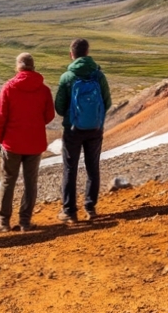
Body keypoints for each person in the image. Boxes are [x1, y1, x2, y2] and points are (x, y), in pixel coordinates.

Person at [0, 53, 55, 232]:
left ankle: (3, 222)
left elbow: (0, 116)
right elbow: (49, 116)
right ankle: (25, 222)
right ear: (32, 67)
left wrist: (2, 138)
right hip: (34, 143)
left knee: (7, 180)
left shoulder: (9, 88)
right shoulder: (43, 90)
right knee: (30, 181)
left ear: (18, 67)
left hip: (12, 143)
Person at [54, 38, 111, 222]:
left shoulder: (67, 77)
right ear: (87, 52)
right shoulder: (98, 75)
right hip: (95, 128)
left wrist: (73, 116)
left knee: (70, 168)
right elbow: (107, 102)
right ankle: (90, 207)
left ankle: (69, 211)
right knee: (92, 167)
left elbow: (60, 107)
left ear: (72, 54)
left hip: (73, 129)